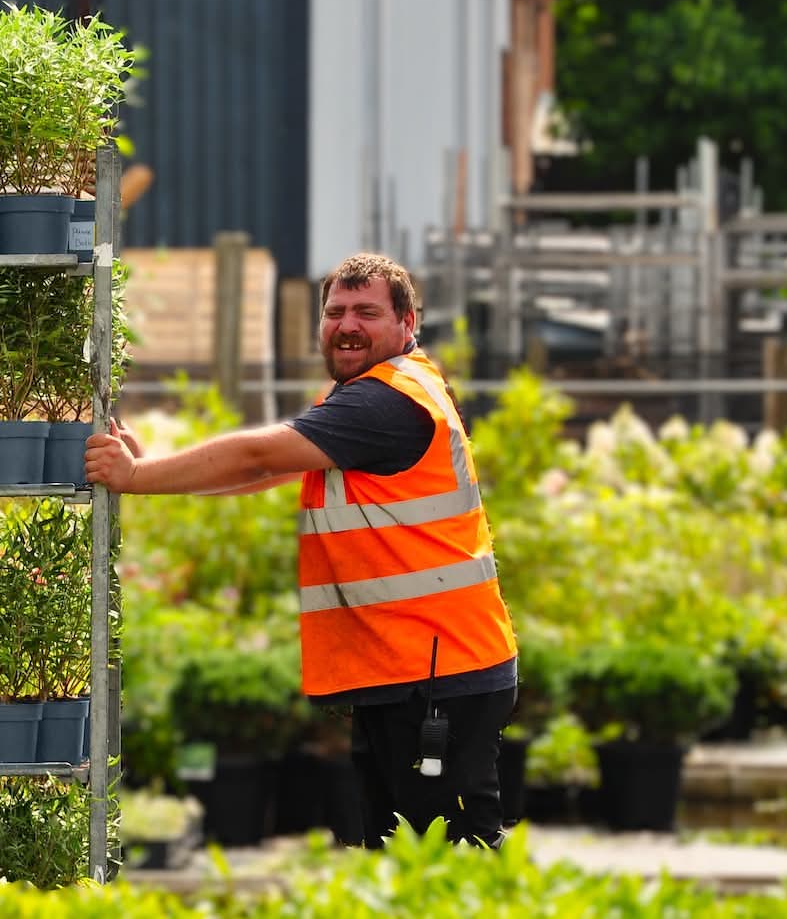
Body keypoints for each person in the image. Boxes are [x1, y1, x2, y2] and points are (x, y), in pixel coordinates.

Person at [85, 251, 517, 849]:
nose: (347, 325)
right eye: (335, 311)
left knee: (452, 866)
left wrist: (135, 477)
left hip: (438, 676)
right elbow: (270, 469)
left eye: (367, 312)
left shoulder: (386, 402)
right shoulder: (376, 392)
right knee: (405, 859)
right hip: (417, 669)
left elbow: (259, 456)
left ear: (407, 323)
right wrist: (149, 469)